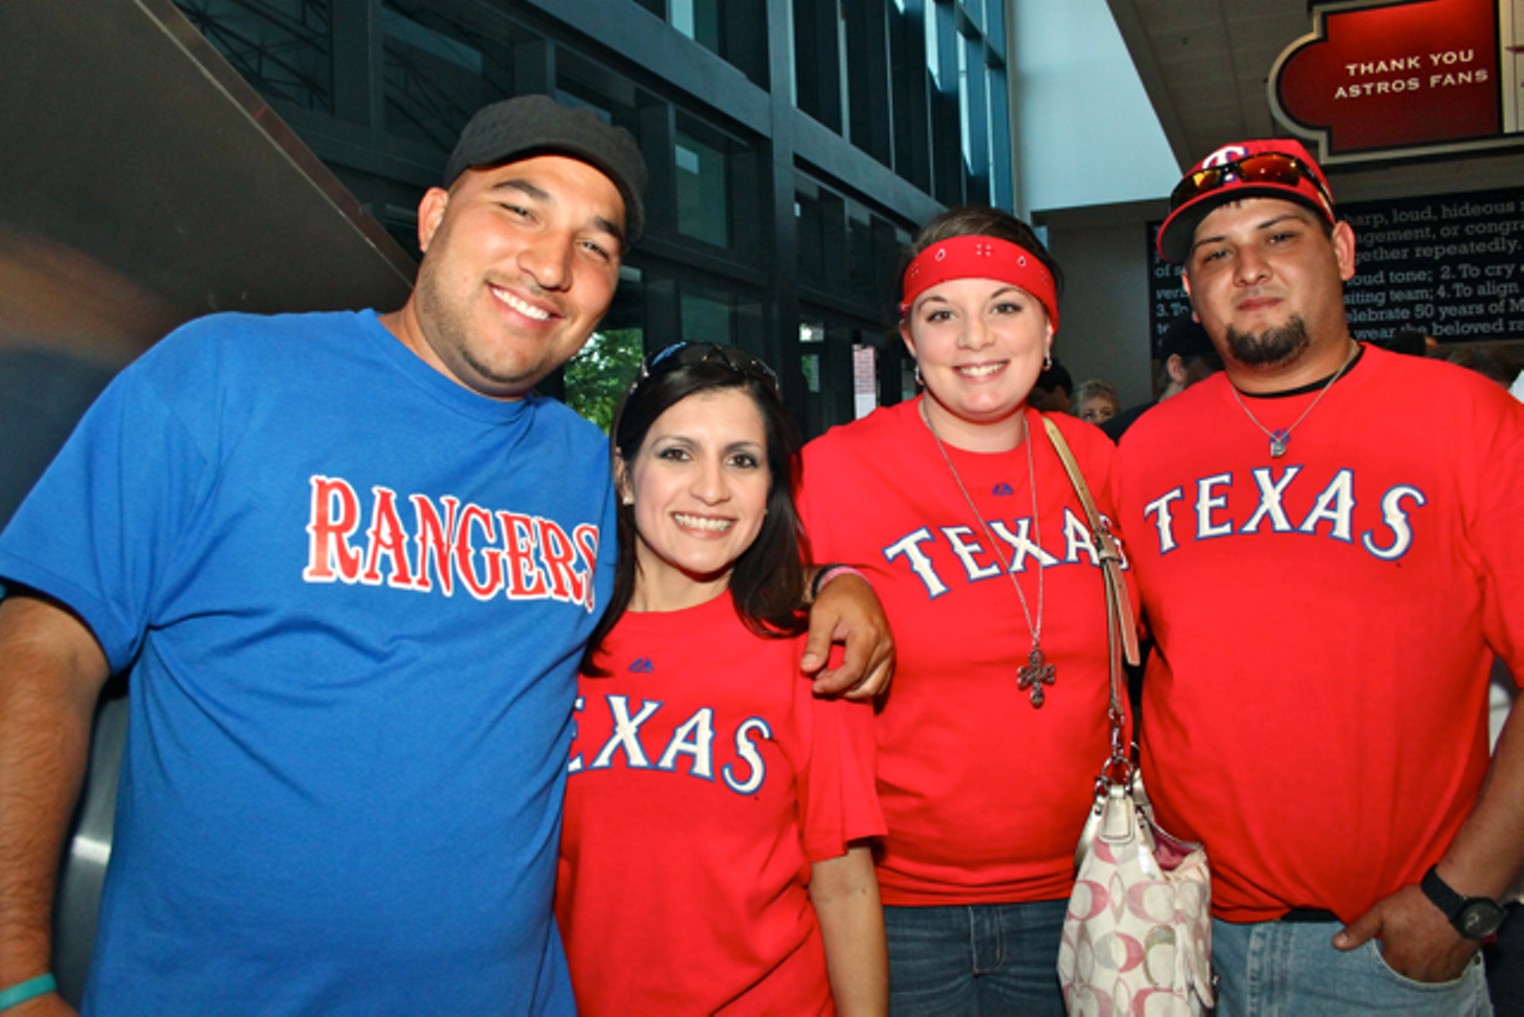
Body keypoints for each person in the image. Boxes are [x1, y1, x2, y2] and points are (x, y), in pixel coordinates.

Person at [0, 95, 891, 1015]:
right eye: (518, 206)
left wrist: (843, 580)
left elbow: (711, 538)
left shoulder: (582, 467)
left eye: (595, 244)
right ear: (432, 220)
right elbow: (40, 646)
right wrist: (16, 977)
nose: (550, 263)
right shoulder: (224, 377)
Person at [1118, 137, 1524, 1015]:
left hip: (1387, 949)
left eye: (1280, 237)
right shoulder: (1144, 449)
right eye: (1215, 253)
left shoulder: (1469, 420)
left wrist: (1458, 901)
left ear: (1340, 251)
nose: (1248, 269)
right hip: (1180, 937)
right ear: (1189, 288)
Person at [798, 206, 1131, 1015]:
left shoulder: (1094, 461)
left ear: (1048, 329)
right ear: (909, 340)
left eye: (1005, 307)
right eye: (942, 313)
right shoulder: (835, 467)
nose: (975, 337)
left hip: (1093, 889)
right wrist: (824, 580)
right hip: (899, 909)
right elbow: (746, 595)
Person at [555, 342, 887, 1015]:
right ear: (624, 475)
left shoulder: (811, 653)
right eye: (677, 453)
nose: (711, 488)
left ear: (770, 492)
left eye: (742, 459)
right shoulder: (550, 643)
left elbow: (845, 887)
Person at [1101, 315, 1223, 441]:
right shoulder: (1116, 436)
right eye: (1216, 367)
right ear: (1177, 368)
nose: (1230, 378)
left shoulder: (1224, 433)